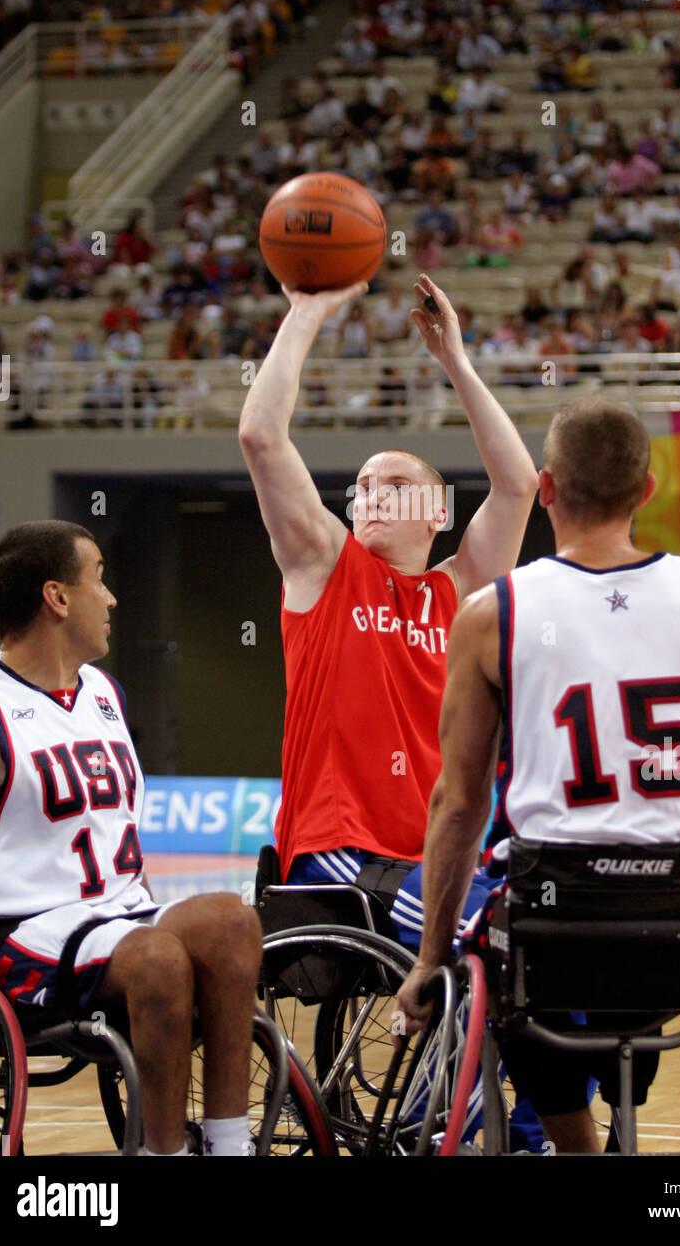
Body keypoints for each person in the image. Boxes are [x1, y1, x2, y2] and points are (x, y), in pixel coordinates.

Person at [396, 397, 680, 1153]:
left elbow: (459, 803)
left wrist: (431, 961)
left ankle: (576, 1145)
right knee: (636, 1001)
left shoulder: (493, 610)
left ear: (548, 488)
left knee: (505, 987)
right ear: (648, 491)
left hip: (556, 916)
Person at [238, 274, 539, 944]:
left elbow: (519, 484)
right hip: (341, 852)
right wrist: (307, 310)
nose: (371, 495)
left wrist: (456, 363)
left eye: (395, 485)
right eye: (363, 487)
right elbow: (261, 436)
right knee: (495, 934)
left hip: (434, 854)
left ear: (438, 512)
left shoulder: (457, 592)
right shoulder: (325, 564)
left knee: (543, 923)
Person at [0, 521, 261, 1156]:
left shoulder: (104, 692)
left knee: (234, 921)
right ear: (58, 597)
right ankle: (164, 1152)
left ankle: (230, 1144)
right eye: (98, 576)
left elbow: (109, 830)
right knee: (156, 958)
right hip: (22, 935)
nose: (112, 596)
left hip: (118, 915)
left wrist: (150, 901)